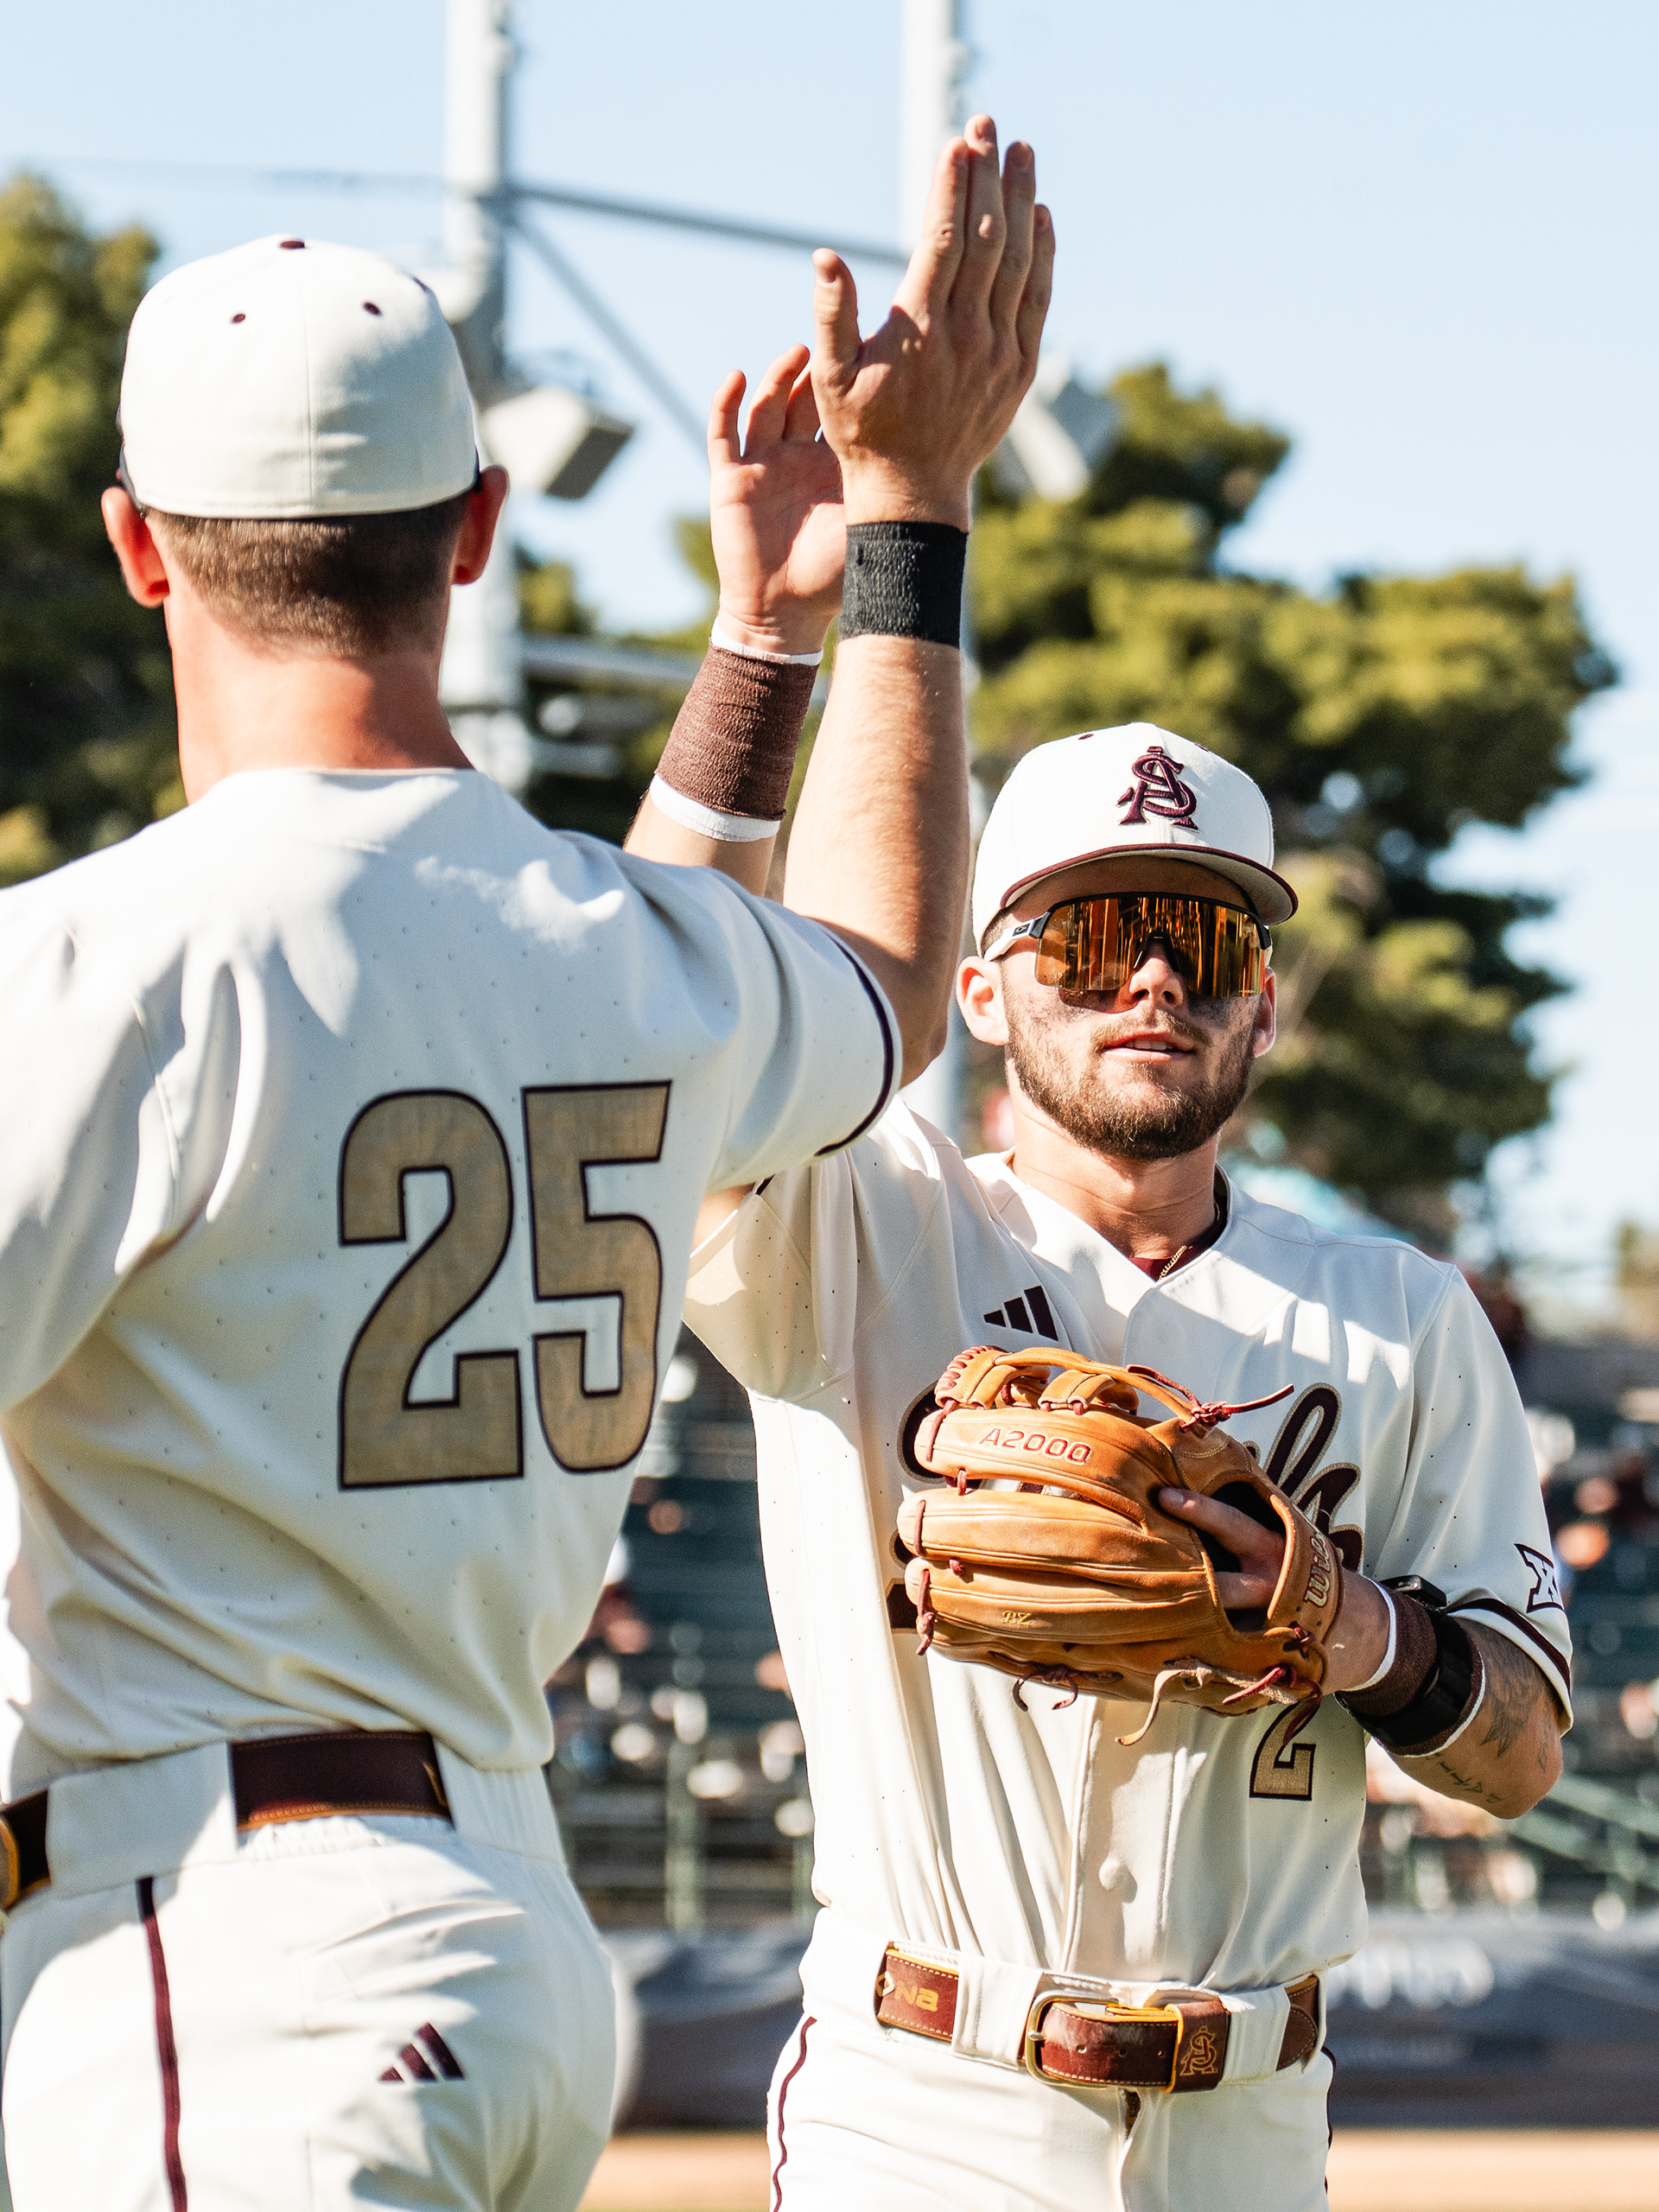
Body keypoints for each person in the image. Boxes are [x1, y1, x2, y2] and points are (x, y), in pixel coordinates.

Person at [0, 118, 1049, 2212]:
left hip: (221, 1951)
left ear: (136, 543)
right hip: (504, 1931)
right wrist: (901, 528)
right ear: (475, 525)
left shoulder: (90, 955)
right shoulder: (619, 947)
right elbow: (887, 980)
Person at [634, 302, 1570, 2212]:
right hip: (930, 2092)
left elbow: (1526, 1746)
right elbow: (690, 1014)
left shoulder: (1398, 1314)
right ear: (976, 985)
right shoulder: (859, 1222)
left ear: (1266, 1006)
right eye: (1089, 931)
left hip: (1253, 2110)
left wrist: (1358, 1628)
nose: (1151, 968)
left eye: (1203, 938)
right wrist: (777, 635)